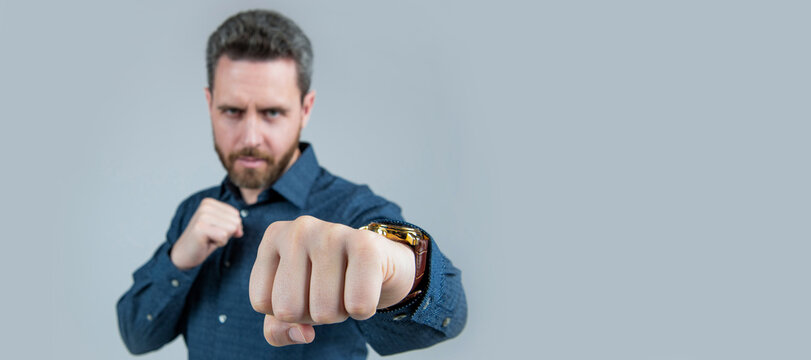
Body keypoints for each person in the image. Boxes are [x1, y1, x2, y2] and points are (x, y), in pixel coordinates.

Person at [116, 9, 466, 359]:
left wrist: (396, 270)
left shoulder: (351, 210)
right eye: (232, 112)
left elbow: (451, 311)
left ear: (306, 108)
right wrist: (180, 261)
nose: (251, 137)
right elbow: (137, 335)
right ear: (210, 106)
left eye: (272, 113)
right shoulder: (193, 211)